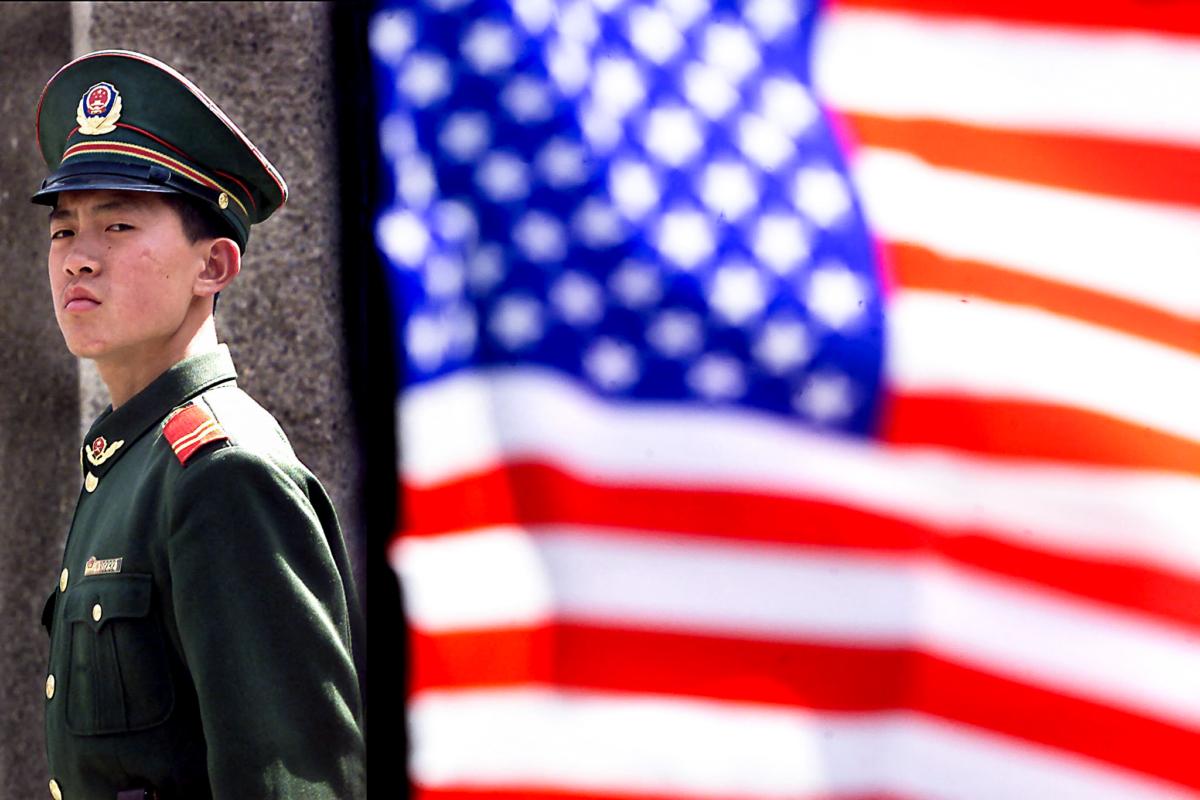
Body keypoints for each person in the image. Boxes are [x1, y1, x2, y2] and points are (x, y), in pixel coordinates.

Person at [33, 50, 366, 799]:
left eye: (117, 224)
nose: (78, 259)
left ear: (213, 266)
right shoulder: (129, 461)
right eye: (63, 231)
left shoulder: (224, 472)